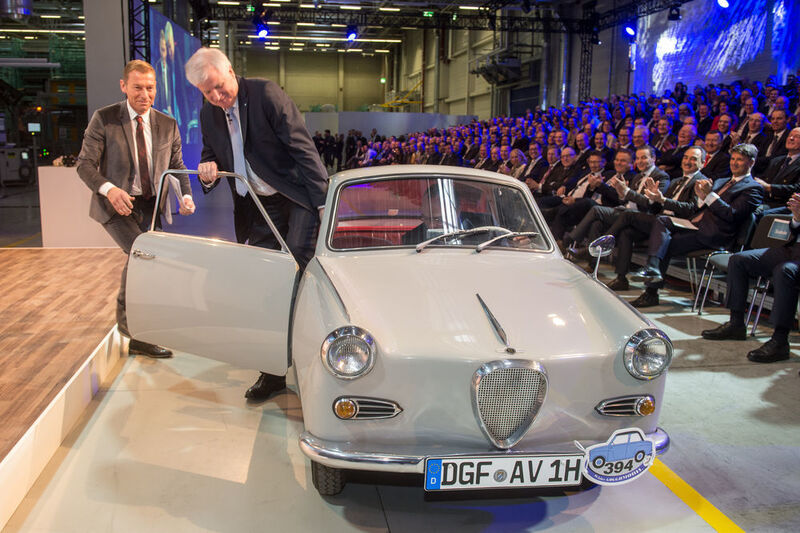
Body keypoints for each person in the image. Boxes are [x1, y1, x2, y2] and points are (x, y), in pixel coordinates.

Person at [185, 47, 328, 400]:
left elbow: (302, 148)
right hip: (256, 206)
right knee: (266, 282)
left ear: (230, 71)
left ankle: (316, 361)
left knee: (295, 275)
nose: (216, 96)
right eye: (207, 91)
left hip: (295, 199)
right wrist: (207, 169)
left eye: (219, 87)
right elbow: (211, 154)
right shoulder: (208, 113)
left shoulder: (265, 94)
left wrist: (324, 202)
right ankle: (273, 372)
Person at [77, 60, 195, 358]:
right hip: (116, 205)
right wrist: (110, 189)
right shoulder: (104, 119)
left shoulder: (167, 124)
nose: (145, 94)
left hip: (151, 207)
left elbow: (177, 165)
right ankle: (133, 331)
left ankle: (138, 330)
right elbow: (84, 165)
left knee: (142, 262)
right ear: (124, 86)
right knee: (143, 256)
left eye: (150, 88)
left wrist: (186, 195)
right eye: (138, 87)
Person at [628, 144, 764, 307]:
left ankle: (651, 290)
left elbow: (731, 215)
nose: (734, 163)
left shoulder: (753, 188)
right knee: (662, 221)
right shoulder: (721, 181)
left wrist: (709, 196)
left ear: (751, 162)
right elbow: (697, 207)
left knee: (664, 242)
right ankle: (652, 271)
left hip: (715, 235)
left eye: (739, 160)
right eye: (733, 159)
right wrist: (700, 198)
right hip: (695, 225)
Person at [701, 192, 800, 363]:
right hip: (792, 249)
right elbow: (795, 229)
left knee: (784, 271)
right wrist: (797, 218)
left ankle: (780, 340)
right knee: (738, 260)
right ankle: (736, 324)